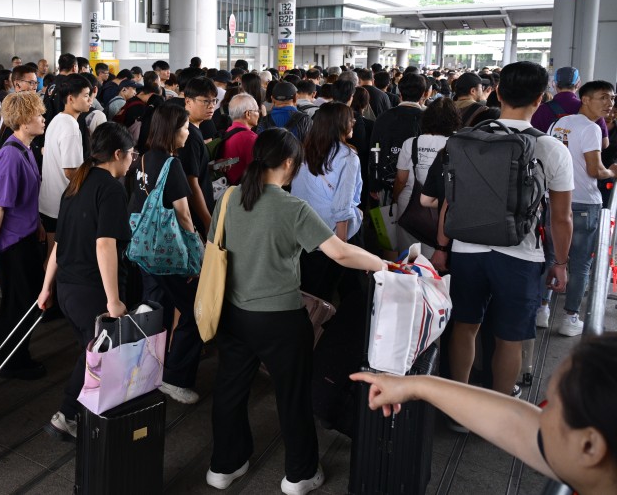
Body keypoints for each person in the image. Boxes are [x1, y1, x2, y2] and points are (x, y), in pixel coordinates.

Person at [205, 129, 385, 493]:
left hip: (232, 314)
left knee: (229, 391)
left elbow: (214, 246)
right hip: (281, 320)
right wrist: (382, 263)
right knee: (293, 396)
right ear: (289, 163)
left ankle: (223, 467)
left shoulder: (229, 197)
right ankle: (299, 474)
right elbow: (341, 252)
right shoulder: (292, 208)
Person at [421, 61, 573, 401]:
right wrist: (561, 264)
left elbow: (449, 201)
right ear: (541, 98)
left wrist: (442, 246)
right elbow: (561, 218)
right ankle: (499, 410)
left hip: (465, 250)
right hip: (520, 255)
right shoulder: (550, 148)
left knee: (464, 327)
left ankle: (458, 406)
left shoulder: (463, 140)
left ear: (497, 93)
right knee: (510, 337)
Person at [352, 334, 617, 495]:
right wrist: (415, 386)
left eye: (552, 407)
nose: (540, 413)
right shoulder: (592, 467)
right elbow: (514, 424)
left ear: (590, 446)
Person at [39, 122, 135, 440]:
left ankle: (86, 413)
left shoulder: (77, 184)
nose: (132, 161)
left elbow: (58, 245)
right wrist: (113, 299)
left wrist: (46, 288)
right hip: (90, 290)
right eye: (131, 154)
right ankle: (67, 414)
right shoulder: (110, 188)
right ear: (118, 154)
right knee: (98, 351)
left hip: (68, 287)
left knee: (91, 349)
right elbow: (104, 244)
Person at [129, 102, 204, 405]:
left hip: (143, 248)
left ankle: (144, 370)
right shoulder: (172, 165)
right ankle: (175, 378)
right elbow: (184, 217)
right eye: (185, 127)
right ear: (173, 131)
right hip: (167, 253)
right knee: (194, 312)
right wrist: (198, 248)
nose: (189, 132)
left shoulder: (143, 159)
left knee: (153, 308)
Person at [0, 91, 48, 379]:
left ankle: (5, 349)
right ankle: (14, 361)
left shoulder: (24, 149)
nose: (43, 118)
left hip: (24, 235)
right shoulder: (11, 155)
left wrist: (37, 224)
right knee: (21, 303)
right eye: (38, 115)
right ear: (23, 120)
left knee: (18, 300)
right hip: (14, 243)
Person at [546, 80, 617, 336]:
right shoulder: (591, 128)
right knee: (580, 264)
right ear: (585, 99)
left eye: (611, 98)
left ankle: (542, 308)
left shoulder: (559, 123)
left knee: (552, 256)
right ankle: (570, 317)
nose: (609, 104)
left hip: (555, 199)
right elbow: (594, 169)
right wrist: (612, 171)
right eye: (603, 98)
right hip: (585, 202)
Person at [290, 103, 363, 302]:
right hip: (335, 234)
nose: (353, 123)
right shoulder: (348, 157)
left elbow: (297, 193)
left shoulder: (303, 149)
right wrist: (342, 246)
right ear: (339, 124)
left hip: (306, 233)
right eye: (350, 119)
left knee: (311, 292)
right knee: (348, 293)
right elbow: (342, 205)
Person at [392, 98, 460, 254]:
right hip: (442, 206)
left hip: (409, 204)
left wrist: (395, 198)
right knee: (435, 254)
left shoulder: (411, 143)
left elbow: (401, 179)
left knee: (409, 255)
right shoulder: (455, 143)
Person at [39, 75, 92, 261]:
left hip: (49, 202)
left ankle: (47, 289)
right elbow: (70, 171)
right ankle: (49, 291)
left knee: (52, 257)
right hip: (60, 205)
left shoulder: (57, 120)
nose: (90, 100)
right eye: (86, 96)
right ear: (70, 99)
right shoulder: (70, 126)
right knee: (57, 258)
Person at [532, 66, 611, 149]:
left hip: (550, 159)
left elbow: (533, 140)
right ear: (578, 84)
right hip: (583, 160)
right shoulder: (591, 109)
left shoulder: (540, 110)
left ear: (554, 84)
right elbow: (604, 143)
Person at [181, 76, 218, 235]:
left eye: (214, 101)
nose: (211, 106)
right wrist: (206, 219)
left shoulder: (194, 130)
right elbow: (191, 182)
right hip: (196, 216)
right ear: (188, 101)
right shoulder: (189, 136)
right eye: (205, 101)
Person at [219, 93, 259, 185]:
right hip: (243, 190)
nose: (258, 114)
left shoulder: (228, 131)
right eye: (257, 111)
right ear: (248, 114)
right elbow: (256, 172)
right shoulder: (250, 138)